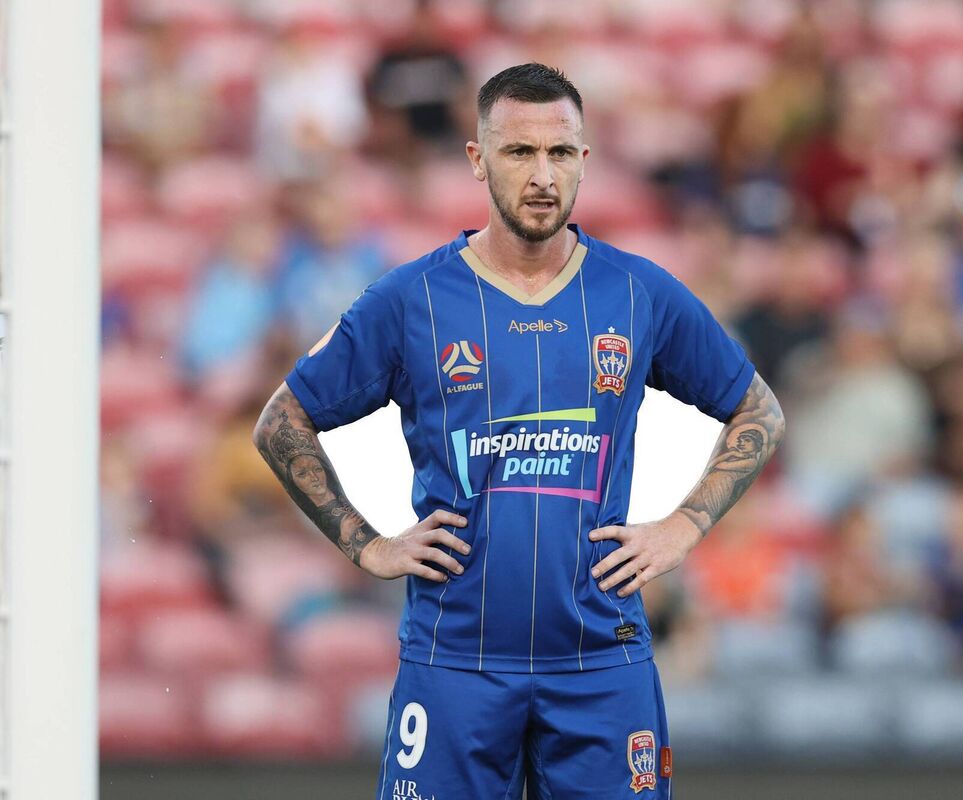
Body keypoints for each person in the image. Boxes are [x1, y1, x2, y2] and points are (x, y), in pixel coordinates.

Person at [251, 63, 785, 799]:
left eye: (560, 154)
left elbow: (760, 410)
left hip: (601, 660)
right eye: (519, 152)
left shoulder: (637, 293)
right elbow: (282, 420)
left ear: (584, 161)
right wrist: (366, 543)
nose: (542, 175)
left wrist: (685, 526)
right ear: (478, 159)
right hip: (456, 661)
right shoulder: (412, 301)